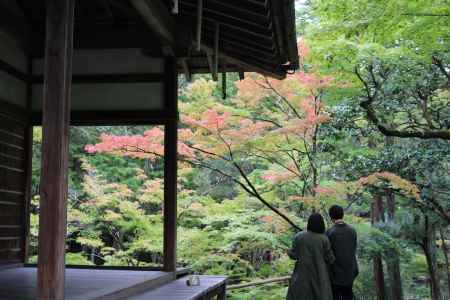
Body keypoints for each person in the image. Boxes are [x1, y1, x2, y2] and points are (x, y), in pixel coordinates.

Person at [286, 213, 335, 300]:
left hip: (301, 275)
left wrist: (289, 252)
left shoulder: (299, 236)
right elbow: (330, 259)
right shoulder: (324, 239)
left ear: (309, 223)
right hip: (320, 275)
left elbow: (294, 255)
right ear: (321, 224)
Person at [326, 205, 359, 300]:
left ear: (331, 216)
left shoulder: (329, 232)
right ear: (342, 215)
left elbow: (328, 254)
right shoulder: (352, 231)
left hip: (335, 274)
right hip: (350, 272)